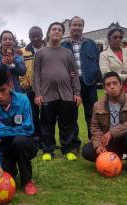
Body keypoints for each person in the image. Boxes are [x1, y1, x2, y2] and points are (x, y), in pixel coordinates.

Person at [0, 69, 38, 195]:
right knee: (5, 175)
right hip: (5, 149)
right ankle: (11, 169)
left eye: (3, 90)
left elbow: (29, 129)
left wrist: (2, 130)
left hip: (26, 143)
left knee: (19, 141)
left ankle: (27, 181)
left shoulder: (23, 100)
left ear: (10, 85)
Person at [33, 22, 82, 161]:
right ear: (48, 33)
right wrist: (38, 94)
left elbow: (74, 74)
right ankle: (48, 150)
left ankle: (67, 150)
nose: (56, 32)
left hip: (66, 94)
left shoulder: (68, 53)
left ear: (62, 34)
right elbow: (36, 75)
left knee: (67, 124)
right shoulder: (40, 53)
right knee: (47, 124)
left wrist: (77, 93)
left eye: (59, 30)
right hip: (47, 94)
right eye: (54, 29)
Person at [82, 71, 127, 174]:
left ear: (121, 85)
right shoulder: (98, 105)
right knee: (87, 151)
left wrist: (112, 132)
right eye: (108, 84)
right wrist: (98, 146)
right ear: (105, 88)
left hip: (125, 138)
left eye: (115, 83)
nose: (112, 87)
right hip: (108, 142)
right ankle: (115, 157)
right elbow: (95, 127)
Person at [61, 16, 100, 152]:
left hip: (89, 84)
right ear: (69, 27)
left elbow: (97, 62)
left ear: (83, 27)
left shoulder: (91, 44)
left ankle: (94, 141)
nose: (77, 27)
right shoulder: (63, 45)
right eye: (74, 25)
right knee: (72, 115)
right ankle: (74, 144)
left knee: (92, 114)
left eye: (79, 25)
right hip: (71, 86)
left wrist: (96, 78)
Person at [100, 28, 127, 96]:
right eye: (115, 37)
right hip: (114, 92)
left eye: (120, 37)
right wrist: (125, 77)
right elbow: (106, 73)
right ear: (109, 39)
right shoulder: (104, 54)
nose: (118, 39)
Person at [19, 26, 46, 139]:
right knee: (33, 115)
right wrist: (24, 83)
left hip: (47, 87)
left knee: (46, 115)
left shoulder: (48, 48)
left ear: (42, 35)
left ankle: (46, 138)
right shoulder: (23, 52)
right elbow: (21, 69)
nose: (35, 38)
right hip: (31, 87)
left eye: (38, 36)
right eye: (32, 36)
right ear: (29, 37)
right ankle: (36, 138)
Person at [0, 30, 26, 96]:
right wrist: (2, 64)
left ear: (13, 42)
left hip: (15, 92)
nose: (7, 41)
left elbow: (23, 72)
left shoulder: (18, 56)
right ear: (0, 42)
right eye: (5, 39)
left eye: (10, 39)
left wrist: (14, 62)